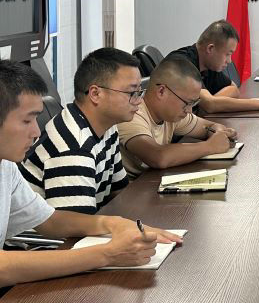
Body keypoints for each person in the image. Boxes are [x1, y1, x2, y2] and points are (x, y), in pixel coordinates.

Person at [0, 60, 182, 286]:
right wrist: (107, 254)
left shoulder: (5, 166)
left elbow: (50, 220)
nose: (37, 131)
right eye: (27, 120)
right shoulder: (72, 145)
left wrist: (113, 224)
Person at [18, 48, 139, 213]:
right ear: (95, 94)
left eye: (139, 92)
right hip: (55, 230)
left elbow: (119, 191)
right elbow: (75, 224)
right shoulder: (73, 146)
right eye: (132, 93)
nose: (138, 100)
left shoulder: (108, 127)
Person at [118, 57, 238, 178]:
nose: (189, 110)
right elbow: (158, 157)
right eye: (187, 103)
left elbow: (208, 126)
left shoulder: (170, 113)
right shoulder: (132, 113)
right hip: (133, 187)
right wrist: (210, 146)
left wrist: (219, 133)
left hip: (152, 180)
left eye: (193, 103)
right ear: (161, 91)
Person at [168, 20, 259, 114]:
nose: (229, 61)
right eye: (228, 54)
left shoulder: (208, 64)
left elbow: (233, 89)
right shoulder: (182, 64)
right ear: (210, 49)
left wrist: (211, 103)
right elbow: (210, 105)